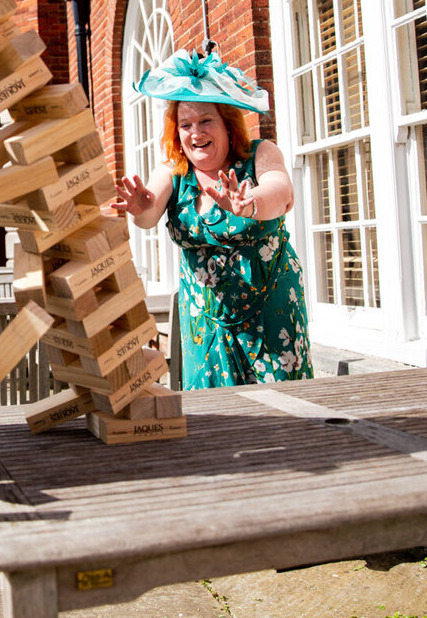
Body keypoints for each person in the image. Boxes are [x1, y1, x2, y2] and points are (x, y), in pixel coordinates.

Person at [113, 50, 312, 390]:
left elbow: (281, 193)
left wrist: (249, 204)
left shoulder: (260, 154)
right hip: (205, 322)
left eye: (206, 121)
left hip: (271, 316)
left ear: (227, 126)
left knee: (285, 412)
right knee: (214, 415)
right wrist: (141, 206)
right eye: (186, 125)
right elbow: (148, 216)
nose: (195, 132)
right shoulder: (173, 172)